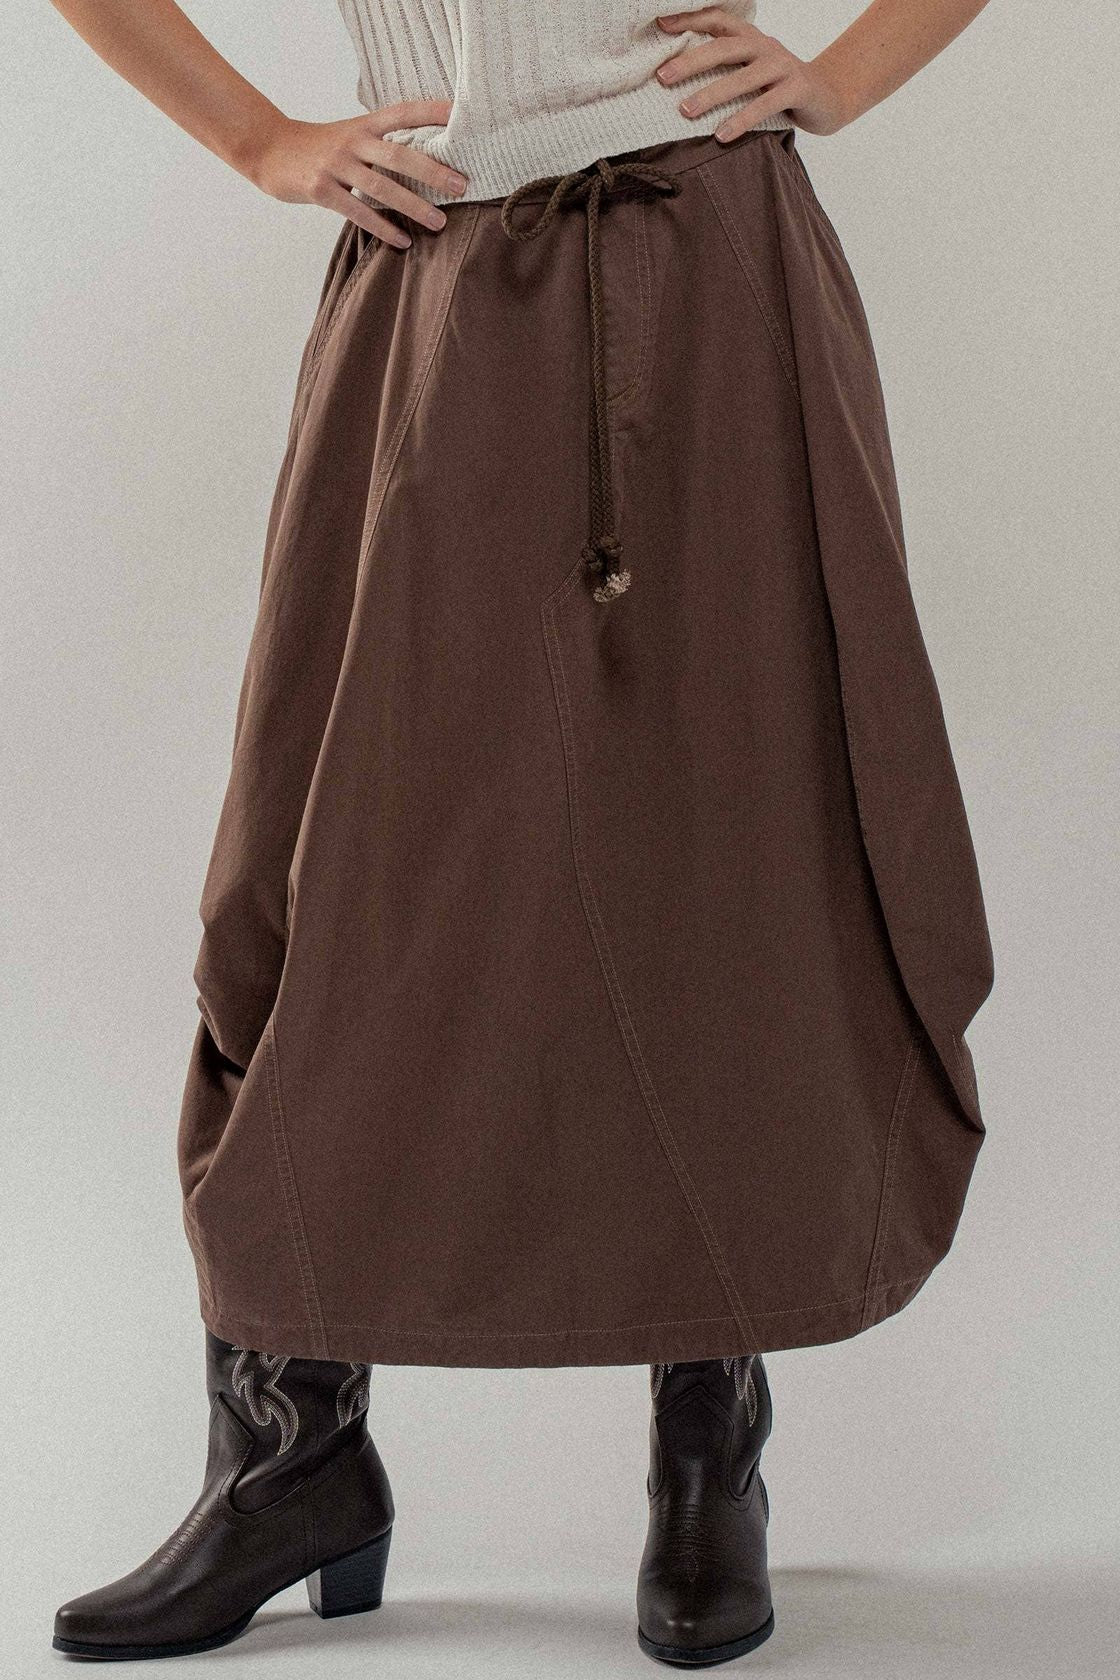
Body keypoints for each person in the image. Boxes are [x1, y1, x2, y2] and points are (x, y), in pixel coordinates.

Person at [49, 1, 996, 1666]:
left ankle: (708, 1451)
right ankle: (289, 1453)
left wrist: (838, 78)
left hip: (709, 273)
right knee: (318, 871)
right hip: (429, 276)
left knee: (720, 846)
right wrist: (263, 141)